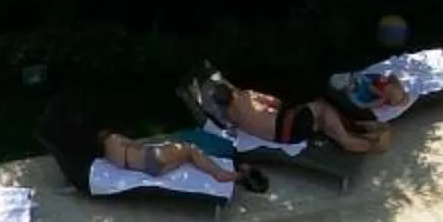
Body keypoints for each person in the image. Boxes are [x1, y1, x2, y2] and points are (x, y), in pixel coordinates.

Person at [198, 72, 386, 155]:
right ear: (232, 92)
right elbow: (275, 102)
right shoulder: (246, 95)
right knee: (321, 106)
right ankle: (356, 141)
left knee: (318, 118)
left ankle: (353, 133)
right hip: (288, 125)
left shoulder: (230, 116)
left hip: (285, 138)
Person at [98, 129, 239, 185]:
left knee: (187, 159)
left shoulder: (108, 157)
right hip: (153, 157)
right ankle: (219, 173)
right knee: (190, 149)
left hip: (153, 171)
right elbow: (137, 144)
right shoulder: (114, 138)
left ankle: (228, 173)